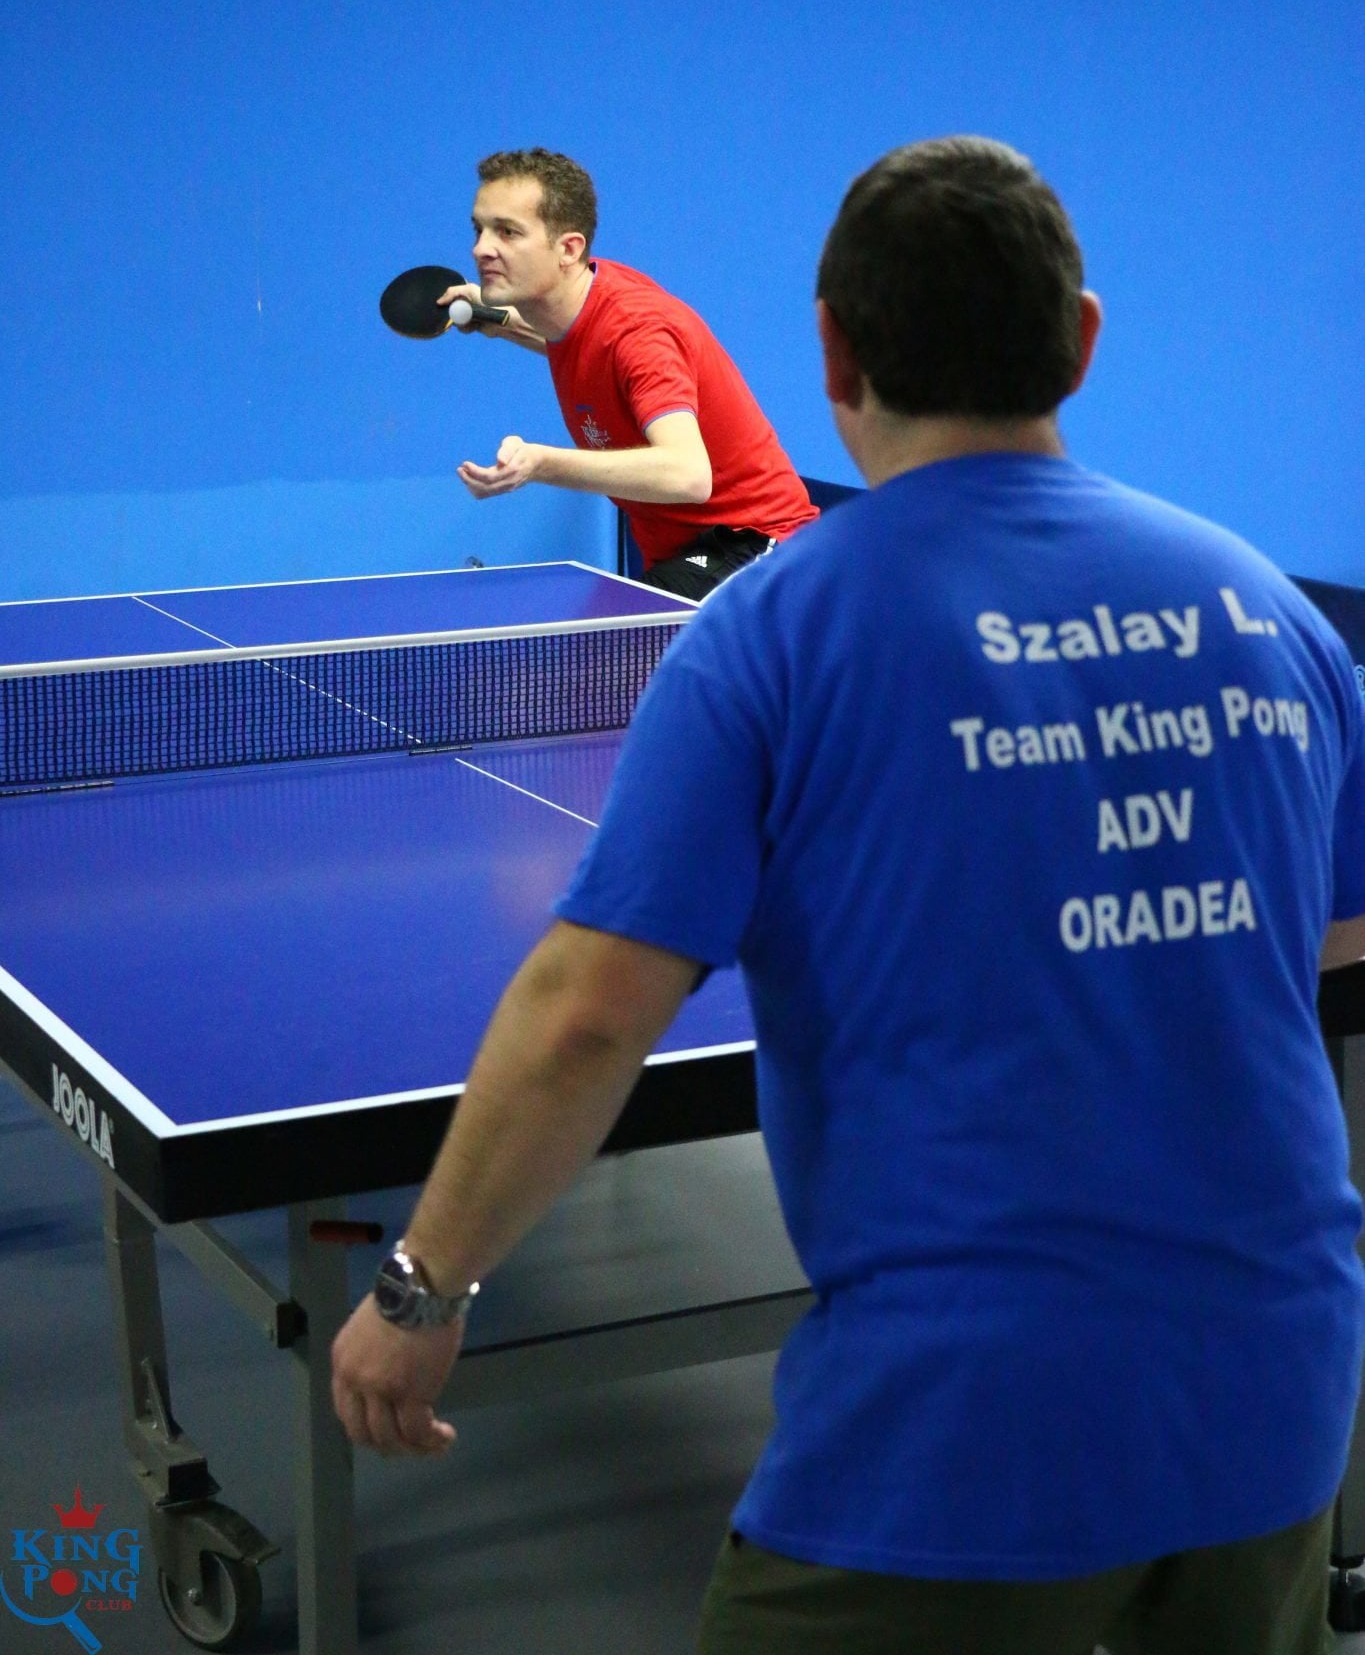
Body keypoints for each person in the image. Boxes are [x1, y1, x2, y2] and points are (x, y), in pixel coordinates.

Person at [332, 136, 1365, 1655]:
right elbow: (1330, 947)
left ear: (832, 353)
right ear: (1081, 341)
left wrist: (423, 1288)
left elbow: (585, 1019)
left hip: (959, 1419)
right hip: (1279, 1387)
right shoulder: (1273, 615)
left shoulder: (771, 635)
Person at [442, 147, 818, 598]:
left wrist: (539, 464)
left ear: (568, 249)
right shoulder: (583, 304)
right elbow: (590, 346)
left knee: (608, 643)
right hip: (687, 554)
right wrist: (499, 321)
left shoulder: (639, 331)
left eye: (507, 232)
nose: (481, 248)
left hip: (757, 547)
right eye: (479, 229)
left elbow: (688, 474)